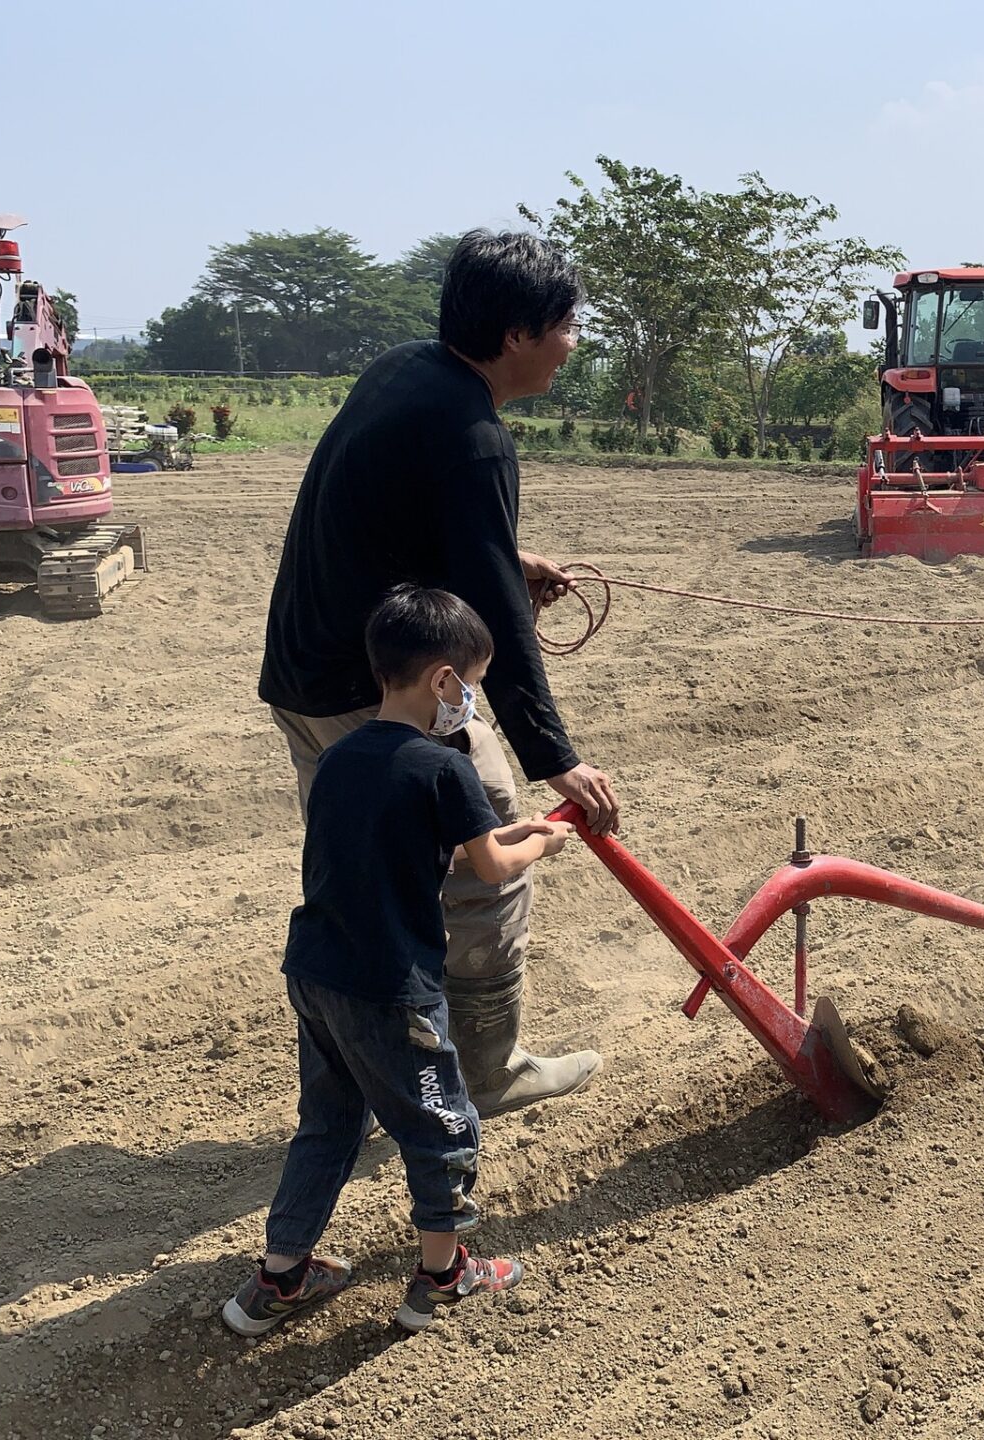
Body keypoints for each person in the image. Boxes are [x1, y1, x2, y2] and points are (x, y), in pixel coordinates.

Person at [259, 230, 620, 1117]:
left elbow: (407, 522)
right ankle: (490, 1073)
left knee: (365, 868)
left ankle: (359, 1072)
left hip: (300, 678)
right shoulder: (475, 435)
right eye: (567, 325)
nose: (574, 341)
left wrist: (504, 550)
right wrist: (552, 755)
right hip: (374, 690)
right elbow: (496, 613)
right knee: (485, 848)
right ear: (514, 336)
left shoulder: (405, 372)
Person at [225, 586, 577, 1337]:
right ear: (444, 681)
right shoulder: (443, 768)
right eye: (473, 686)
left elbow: (441, 846)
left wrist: (511, 833)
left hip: (316, 969)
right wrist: (543, 840)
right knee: (442, 1126)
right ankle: (445, 1277)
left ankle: (280, 1278)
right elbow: (487, 866)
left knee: (328, 1122)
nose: (472, 703)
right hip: (390, 986)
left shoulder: (343, 755)